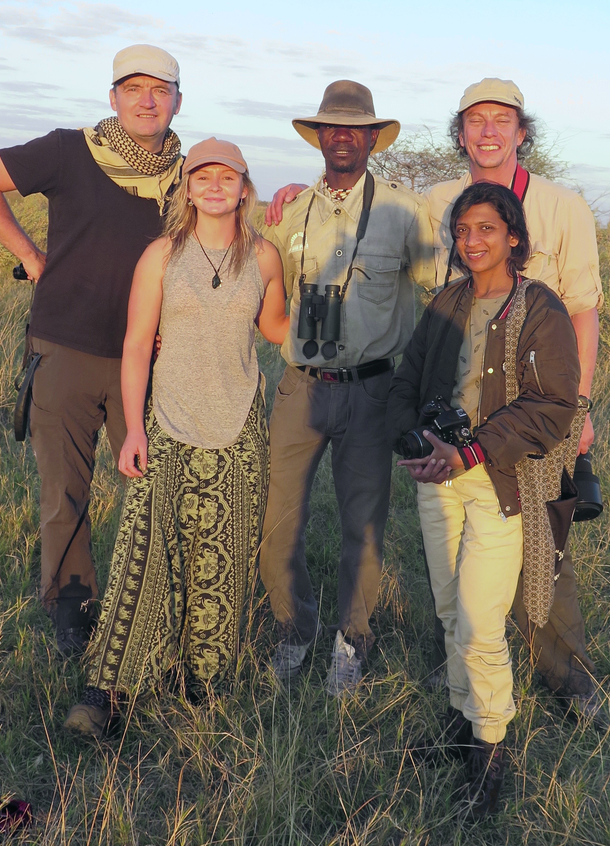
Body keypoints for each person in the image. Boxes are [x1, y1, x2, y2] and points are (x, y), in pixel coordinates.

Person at [0, 45, 184, 655]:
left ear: (177, 102)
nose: (146, 99)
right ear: (112, 97)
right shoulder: (70, 149)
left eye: (159, 89)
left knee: (156, 483)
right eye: (132, 88)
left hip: (148, 357)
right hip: (65, 346)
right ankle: (71, 606)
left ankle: (152, 603)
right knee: (66, 490)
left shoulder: (188, 177)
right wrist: (31, 258)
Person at [64, 138, 288, 736]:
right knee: (145, 551)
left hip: (238, 423)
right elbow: (138, 343)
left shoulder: (265, 257)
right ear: (186, 188)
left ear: (245, 187)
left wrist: (330, 299)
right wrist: (133, 428)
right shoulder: (161, 255)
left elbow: (274, 330)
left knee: (224, 553)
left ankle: (203, 681)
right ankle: (111, 687)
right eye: (202, 176)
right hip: (166, 421)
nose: (214, 186)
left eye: (227, 177)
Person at [386, 183, 580, 816]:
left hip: (500, 482)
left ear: (514, 236)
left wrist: (470, 451)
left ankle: (491, 749)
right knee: (447, 609)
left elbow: (552, 406)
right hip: (437, 478)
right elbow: (410, 377)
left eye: (486, 229)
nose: (472, 241)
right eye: (463, 230)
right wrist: (408, 437)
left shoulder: (541, 308)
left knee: (478, 621)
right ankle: (462, 723)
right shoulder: (447, 300)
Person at [426, 78, 605, 725]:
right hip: (459, 410)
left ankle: (569, 680)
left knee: (544, 548)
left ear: (522, 132)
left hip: (535, 409)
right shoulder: (438, 203)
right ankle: (463, 675)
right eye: (476, 120)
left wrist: (577, 410)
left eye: (502, 119)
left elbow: (583, 313)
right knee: (456, 543)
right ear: (462, 133)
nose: (490, 131)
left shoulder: (562, 208)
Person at [259, 80, 434, 696]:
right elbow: (265, 290)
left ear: (370, 139)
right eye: (330, 127)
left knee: (364, 524)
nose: (341, 137)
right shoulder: (288, 212)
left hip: (371, 390)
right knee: (278, 520)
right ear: (319, 137)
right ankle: (295, 630)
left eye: (354, 128)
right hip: (300, 387)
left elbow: (444, 286)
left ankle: (349, 642)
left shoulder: (405, 211)